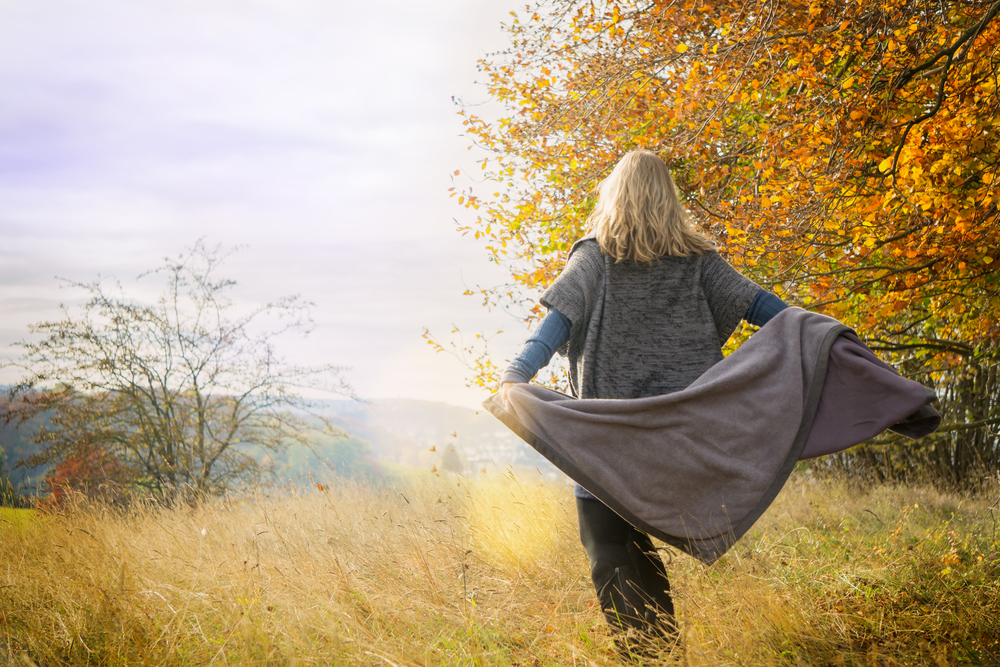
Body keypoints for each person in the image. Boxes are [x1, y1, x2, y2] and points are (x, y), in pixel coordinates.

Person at [498, 150, 788, 654]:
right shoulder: (701, 262)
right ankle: (662, 653)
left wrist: (514, 376)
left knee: (610, 550)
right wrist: (827, 337)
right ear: (668, 198)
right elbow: (771, 311)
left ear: (613, 195)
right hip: (681, 443)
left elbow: (552, 328)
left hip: (609, 444)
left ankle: (651, 656)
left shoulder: (593, 258)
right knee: (633, 550)